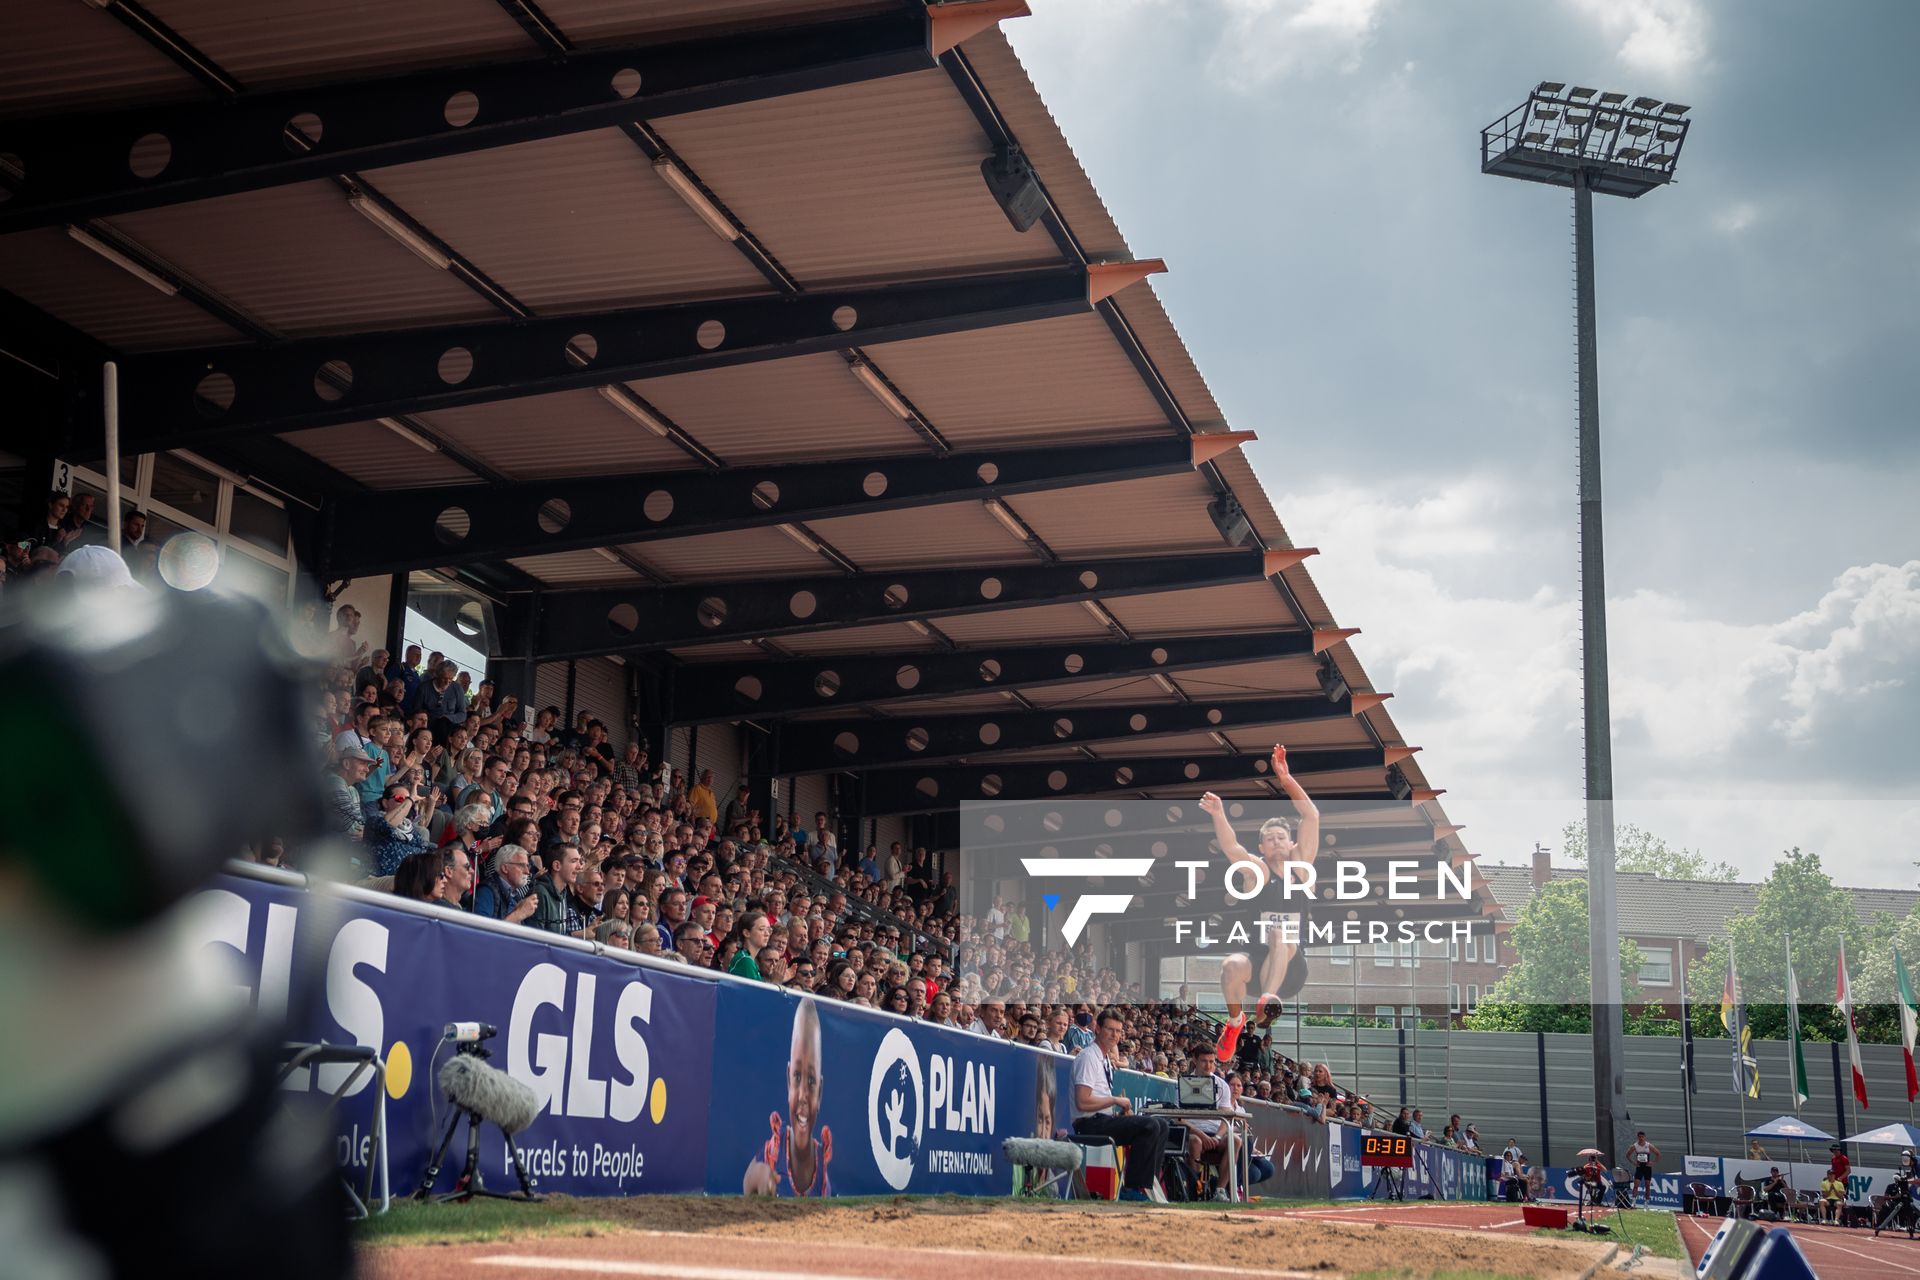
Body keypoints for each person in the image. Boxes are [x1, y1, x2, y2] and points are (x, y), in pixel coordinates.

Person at [1201, 743, 1321, 1063]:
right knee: (1229, 966)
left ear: (1292, 842)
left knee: (1281, 936)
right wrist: (1218, 814)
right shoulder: (1257, 872)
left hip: (1292, 970)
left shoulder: (1302, 867)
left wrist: (1285, 779)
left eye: (1282, 836)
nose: (1276, 841)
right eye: (1270, 839)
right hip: (1256, 961)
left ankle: (1269, 999)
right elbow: (1231, 847)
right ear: (1262, 847)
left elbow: (1311, 815)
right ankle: (1235, 1022)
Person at [1071, 1008, 1171, 1202]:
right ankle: (1132, 1189)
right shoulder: (1088, 1057)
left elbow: (1098, 1101)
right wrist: (1116, 1100)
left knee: (1162, 1125)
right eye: (1110, 1029)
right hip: (1087, 1124)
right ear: (1097, 1029)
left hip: (1102, 1119)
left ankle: (1147, 1185)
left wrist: (1118, 1113)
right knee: (1149, 1125)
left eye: (1118, 1031)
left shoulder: (1105, 1058)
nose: (1114, 1035)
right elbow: (1082, 1101)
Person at [744, 999, 831, 1196]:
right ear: (788, 1080)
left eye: (811, 1080)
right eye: (797, 1077)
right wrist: (759, 1175)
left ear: (821, 1092)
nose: (802, 1096)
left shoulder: (822, 1166)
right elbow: (750, 1178)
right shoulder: (772, 1152)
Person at [1182, 1042, 1235, 1201]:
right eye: (1204, 1061)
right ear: (1195, 1060)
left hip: (1215, 1134)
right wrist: (1202, 1135)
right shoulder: (1182, 1083)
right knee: (1195, 1141)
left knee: (1236, 1140)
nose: (1208, 1065)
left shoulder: (1222, 1085)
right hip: (1194, 1131)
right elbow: (1179, 1118)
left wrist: (1218, 1137)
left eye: (1212, 1062)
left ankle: (1220, 1190)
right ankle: (1196, 1189)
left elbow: (1226, 1118)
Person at [532, 842, 590, 938]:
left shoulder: (562, 893)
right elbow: (535, 938)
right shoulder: (539, 893)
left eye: (579, 861)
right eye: (574, 861)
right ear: (557, 866)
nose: (579, 867)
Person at [473, 845, 538, 923]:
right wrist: (519, 914)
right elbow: (481, 931)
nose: (527, 871)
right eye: (521, 865)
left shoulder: (515, 896)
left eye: (528, 866)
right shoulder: (486, 891)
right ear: (505, 868)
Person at [1626, 1130, 1661, 1206]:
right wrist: (1633, 1163)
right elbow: (1627, 1155)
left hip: (1647, 1167)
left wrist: (1653, 1162)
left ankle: (1647, 1202)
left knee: (1647, 1185)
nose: (1641, 1138)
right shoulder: (1635, 1146)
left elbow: (1658, 1154)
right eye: (1640, 1137)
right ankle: (1634, 1201)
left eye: (1642, 1137)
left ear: (1644, 1137)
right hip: (1639, 1167)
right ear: (1637, 1137)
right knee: (1636, 1185)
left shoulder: (1648, 1145)